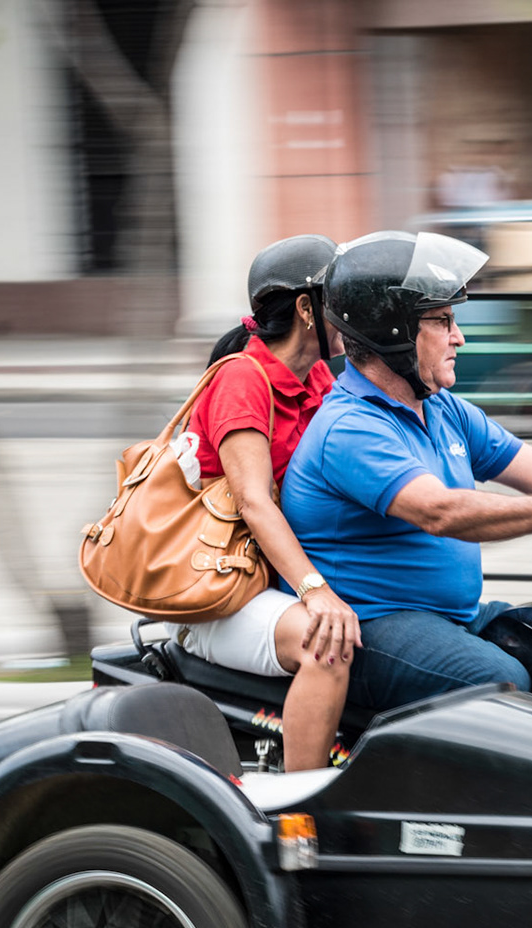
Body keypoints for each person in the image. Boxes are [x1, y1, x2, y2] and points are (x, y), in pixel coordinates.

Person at [281, 230, 532, 710]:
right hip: (372, 627)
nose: (459, 337)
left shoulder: (441, 408)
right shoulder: (350, 427)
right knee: (500, 680)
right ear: (395, 332)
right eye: (443, 321)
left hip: (451, 617)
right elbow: (439, 511)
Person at [175, 234, 361, 770]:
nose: (352, 315)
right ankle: (304, 808)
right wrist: (315, 590)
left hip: (269, 577)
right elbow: (254, 502)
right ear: (307, 309)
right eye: (340, 299)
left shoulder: (319, 377)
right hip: (220, 592)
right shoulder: (240, 380)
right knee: (326, 644)